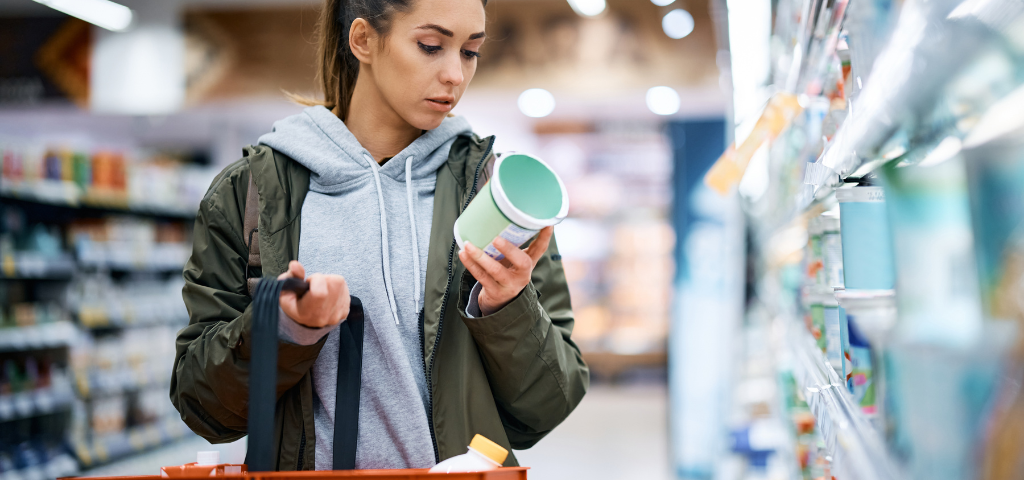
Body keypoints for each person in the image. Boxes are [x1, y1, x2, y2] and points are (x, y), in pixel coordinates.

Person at [169, 0, 589, 472]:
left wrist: (507, 309)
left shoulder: (495, 194)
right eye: (431, 46)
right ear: (363, 39)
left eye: (470, 51)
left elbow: (548, 406)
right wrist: (287, 330)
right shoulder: (250, 193)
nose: (455, 74)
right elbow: (203, 406)